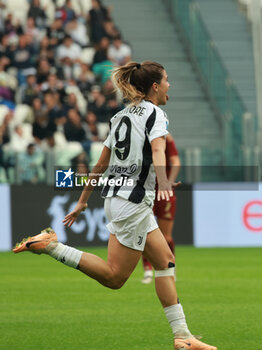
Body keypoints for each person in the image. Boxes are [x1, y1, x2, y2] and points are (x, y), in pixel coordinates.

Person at [13, 61, 217, 350]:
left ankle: (183, 336)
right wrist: (163, 180)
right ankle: (52, 246)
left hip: (119, 199)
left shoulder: (120, 117)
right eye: (167, 80)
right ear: (155, 86)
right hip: (132, 203)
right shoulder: (156, 113)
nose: (170, 86)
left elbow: (100, 165)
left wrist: (83, 201)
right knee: (114, 277)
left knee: (165, 262)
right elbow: (158, 148)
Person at [142, 133, 180, 284]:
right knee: (144, 233)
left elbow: (175, 161)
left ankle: (170, 267)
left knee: (166, 236)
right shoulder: (142, 136)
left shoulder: (165, 137)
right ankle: (147, 270)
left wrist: (169, 182)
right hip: (145, 191)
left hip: (164, 191)